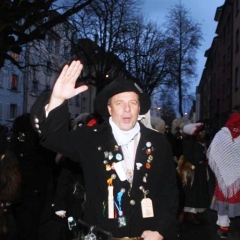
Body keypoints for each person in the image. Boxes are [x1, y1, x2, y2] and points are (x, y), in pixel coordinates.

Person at [30, 60, 178, 240]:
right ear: (109, 108)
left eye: (132, 102)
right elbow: (53, 139)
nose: (126, 109)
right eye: (119, 103)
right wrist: (58, 99)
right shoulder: (91, 138)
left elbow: (169, 192)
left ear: (139, 108)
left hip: (147, 235)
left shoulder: (159, 142)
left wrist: (160, 230)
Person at [207, 109, 240, 239]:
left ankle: (224, 227)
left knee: (224, 200)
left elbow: (213, 154)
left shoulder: (220, 134)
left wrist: (219, 171)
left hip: (223, 178)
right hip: (238, 177)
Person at [177, 122, 209, 225]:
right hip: (190, 172)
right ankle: (184, 214)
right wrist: (202, 157)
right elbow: (192, 156)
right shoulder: (190, 142)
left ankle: (190, 214)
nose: (202, 134)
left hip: (195, 171)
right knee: (190, 193)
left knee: (192, 193)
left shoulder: (196, 142)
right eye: (200, 132)